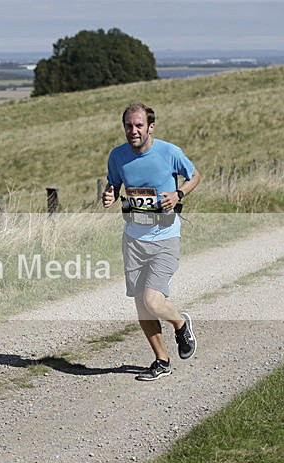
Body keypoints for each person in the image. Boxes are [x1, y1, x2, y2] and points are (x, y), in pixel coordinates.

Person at [102, 102, 201, 381]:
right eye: (128, 126)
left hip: (165, 237)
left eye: (138, 125)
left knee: (153, 300)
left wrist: (179, 194)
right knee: (141, 305)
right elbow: (113, 183)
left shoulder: (169, 152)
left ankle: (181, 324)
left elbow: (194, 175)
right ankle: (161, 360)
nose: (133, 131)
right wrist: (108, 195)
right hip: (133, 238)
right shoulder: (118, 156)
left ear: (150, 127)